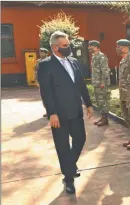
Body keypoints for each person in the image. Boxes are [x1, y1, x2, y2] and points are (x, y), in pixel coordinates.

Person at [37, 31, 93, 195]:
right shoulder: (46, 65)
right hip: (59, 114)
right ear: (55, 48)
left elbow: (81, 84)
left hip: (75, 110)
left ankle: (69, 166)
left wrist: (88, 104)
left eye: (68, 45)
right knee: (62, 147)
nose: (69, 48)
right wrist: (51, 113)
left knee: (80, 139)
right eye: (65, 46)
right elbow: (46, 92)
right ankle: (69, 179)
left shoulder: (74, 62)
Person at [88, 40, 110, 127]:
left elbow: (105, 70)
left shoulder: (101, 57)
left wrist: (103, 82)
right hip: (96, 83)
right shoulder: (94, 56)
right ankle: (103, 117)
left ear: (96, 47)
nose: (89, 47)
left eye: (91, 46)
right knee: (99, 101)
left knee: (103, 101)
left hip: (101, 84)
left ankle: (105, 119)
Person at [35, 47, 49, 118]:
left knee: (50, 97)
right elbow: (36, 71)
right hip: (41, 82)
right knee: (44, 97)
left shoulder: (50, 61)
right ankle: (47, 111)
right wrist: (36, 81)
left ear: (46, 53)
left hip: (49, 82)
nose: (41, 54)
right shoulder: (38, 61)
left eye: (43, 52)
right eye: (40, 52)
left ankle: (52, 112)